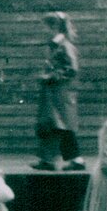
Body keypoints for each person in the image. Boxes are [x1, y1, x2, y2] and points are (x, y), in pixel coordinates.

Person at [33, 11, 84, 171]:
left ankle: (75, 160)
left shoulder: (65, 46)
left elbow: (72, 69)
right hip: (53, 92)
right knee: (53, 125)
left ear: (55, 27)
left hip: (60, 93)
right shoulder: (55, 46)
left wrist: (51, 77)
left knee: (62, 125)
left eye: (47, 27)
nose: (45, 30)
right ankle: (49, 160)